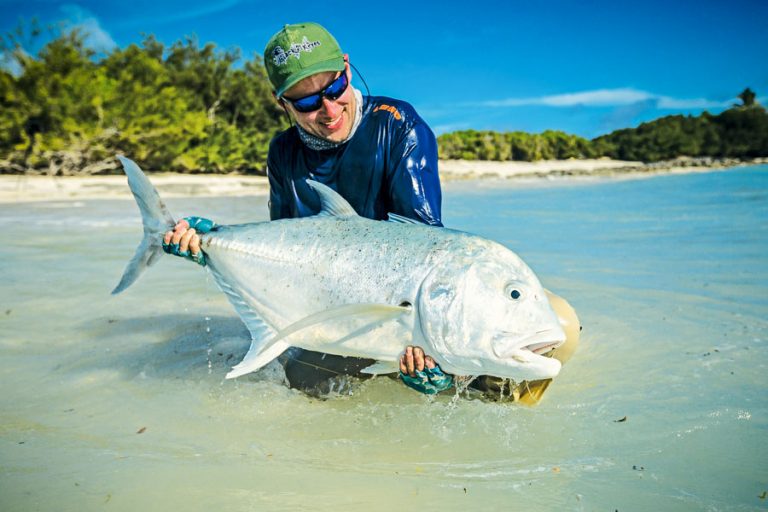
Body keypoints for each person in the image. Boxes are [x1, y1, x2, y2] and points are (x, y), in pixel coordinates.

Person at [163, 22, 578, 403]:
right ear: (282, 104)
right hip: (335, 313)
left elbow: (424, 241)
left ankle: (482, 394)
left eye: (335, 87)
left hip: (399, 303)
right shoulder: (282, 153)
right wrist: (212, 242)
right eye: (306, 101)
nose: (328, 110)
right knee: (304, 385)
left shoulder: (398, 125)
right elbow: (282, 251)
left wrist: (443, 362)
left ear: (346, 68)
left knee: (562, 328)